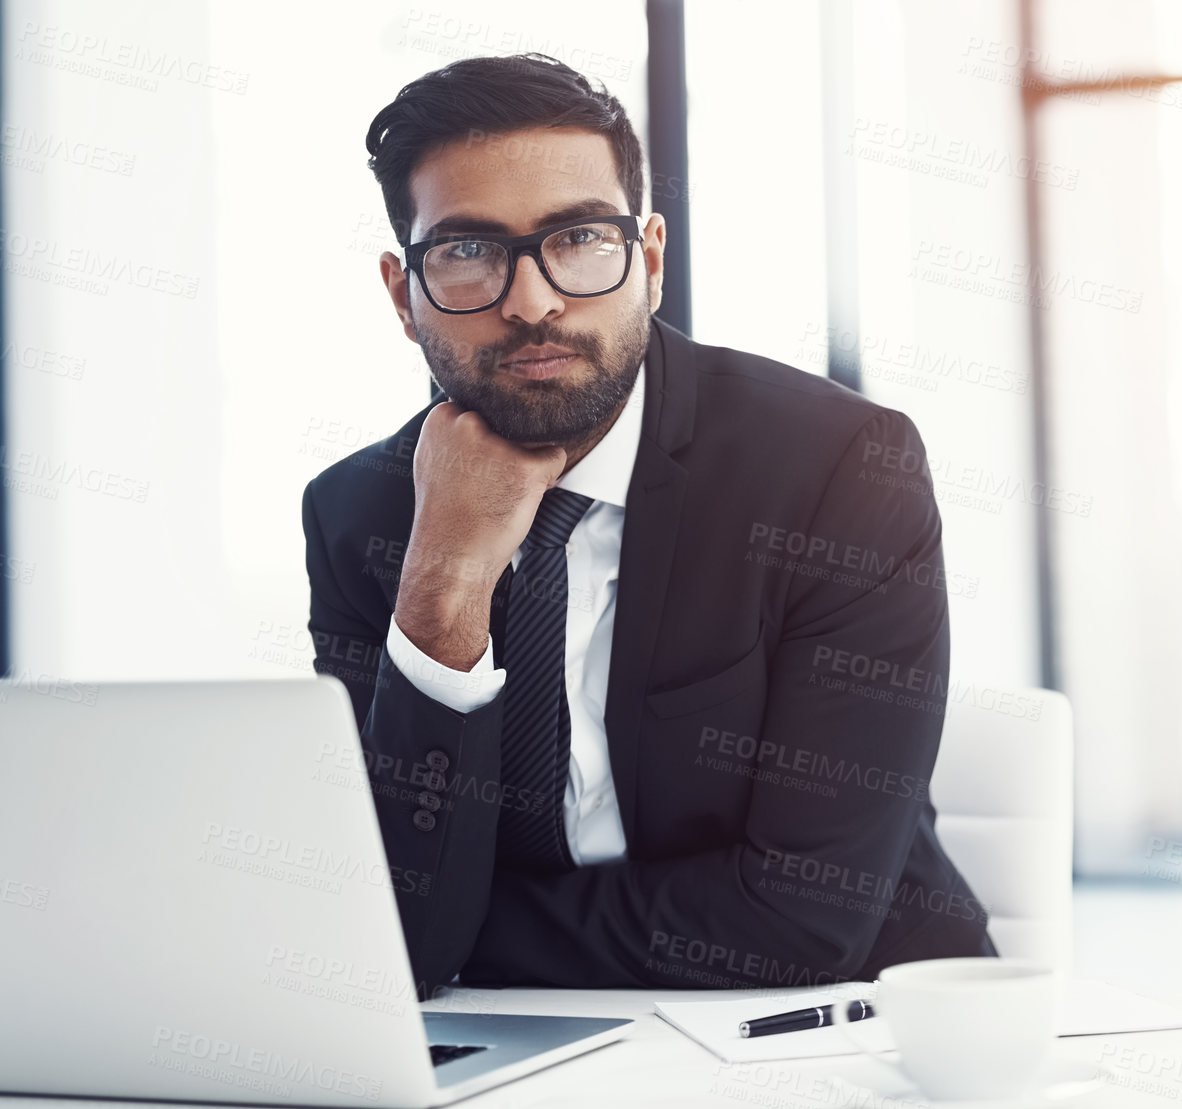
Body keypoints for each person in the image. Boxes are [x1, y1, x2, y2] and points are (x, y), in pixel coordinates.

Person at [300, 53, 994, 995]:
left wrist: (455, 930)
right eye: (466, 251)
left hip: (840, 1030)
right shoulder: (358, 515)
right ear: (401, 295)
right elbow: (385, 932)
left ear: (651, 259)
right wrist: (444, 586)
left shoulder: (836, 468)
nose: (533, 300)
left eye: (579, 237)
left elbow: (799, 918)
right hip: (503, 1045)